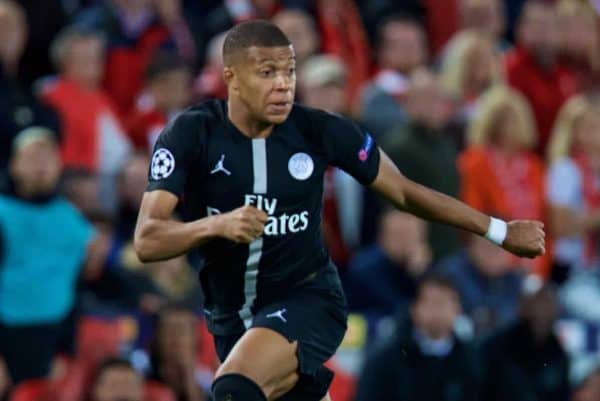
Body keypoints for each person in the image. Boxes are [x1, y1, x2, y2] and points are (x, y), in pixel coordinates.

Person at [134, 20, 545, 401]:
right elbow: (148, 240)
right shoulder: (190, 134)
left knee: (233, 390)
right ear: (231, 78)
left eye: (289, 72)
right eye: (267, 73)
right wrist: (216, 225)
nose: (283, 85)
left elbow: (402, 191)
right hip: (230, 316)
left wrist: (499, 231)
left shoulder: (320, 130)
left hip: (308, 298)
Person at [0, 127, 107, 384]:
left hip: (51, 338)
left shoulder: (73, 221)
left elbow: (76, 284)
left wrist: (64, 350)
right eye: (33, 157)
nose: (41, 165)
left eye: (48, 157)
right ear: (14, 165)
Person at [354, 275, 482, 401]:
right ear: (414, 309)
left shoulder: (473, 359)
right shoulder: (386, 360)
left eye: (444, 303)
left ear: (458, 309)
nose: (437, 311)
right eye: (431, 302)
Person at [503, 0, 577, 155]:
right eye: (535, 25)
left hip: (561, 157)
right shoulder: (509, 69)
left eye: (548, 26)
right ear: (520, 29)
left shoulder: (566, 73)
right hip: (523, 157)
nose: (542, 33)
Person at [481, 278, 570, 401]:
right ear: (521, 307)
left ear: (556, 310)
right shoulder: (494, 347)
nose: (540, 312)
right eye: (535, 304)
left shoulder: (559, 354)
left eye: (546, 304)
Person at [346, 209, 430, 316]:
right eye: (398, 235)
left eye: (410, 235)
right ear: (381, 238)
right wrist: (413, 277)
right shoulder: (364, 269)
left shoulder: (431, 270)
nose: (405, 242)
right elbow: (398, 309)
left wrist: (420, 275)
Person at [435, 234, 523, 337]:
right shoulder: (449, 273)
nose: (493, 253)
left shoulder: (516, 280)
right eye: (487, 247)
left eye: (499, 248)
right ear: (471, 246)